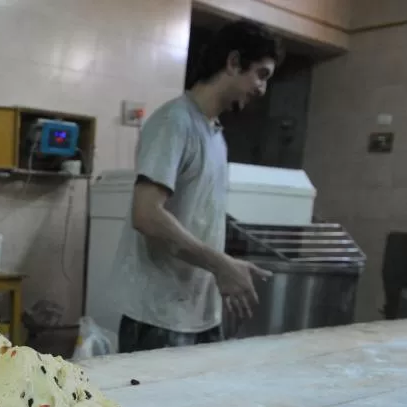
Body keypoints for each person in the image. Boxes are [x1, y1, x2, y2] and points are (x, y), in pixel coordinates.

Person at [110, 19, 283, 353]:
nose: (262, 88)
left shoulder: (215, 134)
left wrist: (226, 265)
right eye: (261, 74)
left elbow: (195, 216)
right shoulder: (174, 122)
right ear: (233, 62)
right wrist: (221, 265)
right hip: (159, 316)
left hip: (199, 313)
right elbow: (146, 214)